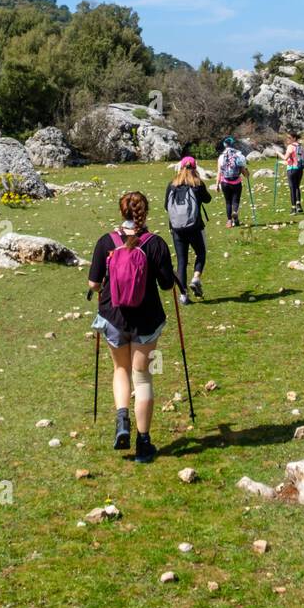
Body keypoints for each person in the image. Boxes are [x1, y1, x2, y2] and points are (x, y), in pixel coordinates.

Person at [87, 190, 175, 464]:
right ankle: (144, 442)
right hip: (146, 319)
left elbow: (93, 284)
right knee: (143, 376)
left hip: (114, 317)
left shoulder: (106, 242)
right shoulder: (155, 243)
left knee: (120, 369)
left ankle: (122, 419)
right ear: (145, 213)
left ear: (121, 212)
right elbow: (167, 285)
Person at [165, 156, 212, 304]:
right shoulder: (197, 184)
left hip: (177, 229)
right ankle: (196, 278)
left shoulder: (172, 184)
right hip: (195, 227)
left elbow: (166, 206)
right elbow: (208, 199)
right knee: (201, 253)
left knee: (182, 261)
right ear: (195, 167)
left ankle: (183, 295)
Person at [216, 136, 247, 227]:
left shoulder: (221, 157)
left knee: (228, 201)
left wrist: (217, 184)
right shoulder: (239, 155)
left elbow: (219, 172)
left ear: (225, 145)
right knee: (236, 200)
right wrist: (246, 173)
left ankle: (229, 221)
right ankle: (235, 212)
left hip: (225, 182)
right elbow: (243, 171)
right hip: (236, 182)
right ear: (233, 144)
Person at [283, 132, 304, 212]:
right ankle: (299, 205)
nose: (287, 139)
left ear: (294, 138)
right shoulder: (301, 146)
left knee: (292, 188)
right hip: (300, 169)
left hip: (291, 169)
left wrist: (278, 153)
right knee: (297, 187)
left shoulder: (290, 147)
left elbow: (285, 158)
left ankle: (293, 208)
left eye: (289, 138)